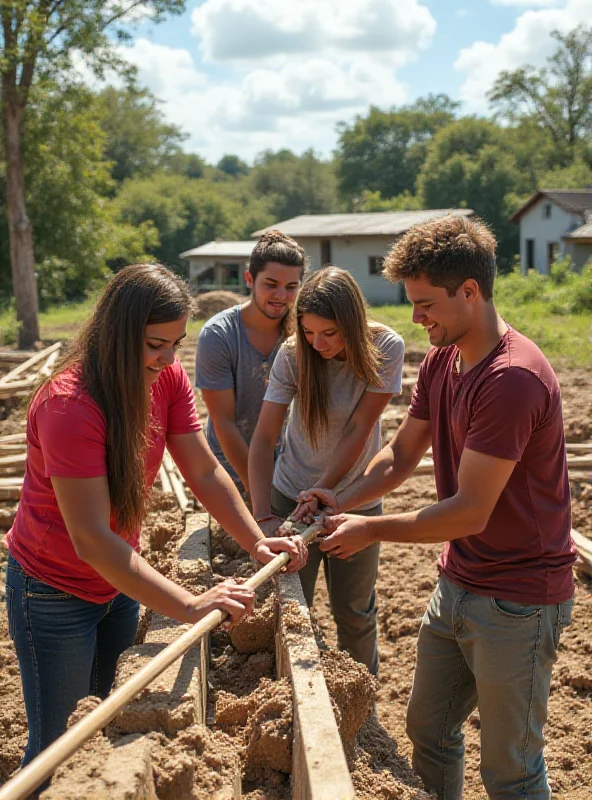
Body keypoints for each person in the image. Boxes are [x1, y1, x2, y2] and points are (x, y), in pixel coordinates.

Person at [299, 217, 576, 800]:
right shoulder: (441, 363)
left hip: (518, 598)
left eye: (426, 304)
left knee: (511, 769)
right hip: (460, 581)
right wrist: (341, 497)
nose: (417, 319)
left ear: (469, 292)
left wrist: (371, 529)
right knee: (429, 728)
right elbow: (400, 456)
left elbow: (470, 511)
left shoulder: (512, 379)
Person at [5, 264, 307, 775]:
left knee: (109, 720)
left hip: (117, 584)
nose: (168, 358)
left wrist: (259, 543)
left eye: (175, 344)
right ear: (117, 337)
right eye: (154, 345)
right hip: (53, 592)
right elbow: (92, 541)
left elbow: (205, 472)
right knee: (58, 750)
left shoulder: (163, 379)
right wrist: (190, 604)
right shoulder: (70, 405)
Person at [248, 267, 405, 675]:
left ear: (352, 322)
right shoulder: (292, 354)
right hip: (292, 498)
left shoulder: (385, 346)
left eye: (330, 334)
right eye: (309, 333)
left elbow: (359, 427)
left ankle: (361, 703)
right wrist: (264, 513)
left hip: (356, 502)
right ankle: (288, 692)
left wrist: (324, 491)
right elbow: (264, 439)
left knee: (354, 612)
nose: (318, 344)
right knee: (290, 607)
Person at [195, 230, 308, 500]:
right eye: (270, 284)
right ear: (249, 279)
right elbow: (224, 421)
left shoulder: (305, 331)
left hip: (288, 467)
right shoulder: (219, 335)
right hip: (232, 469)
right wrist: (257, 489)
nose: (281, 295)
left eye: (291, 287)